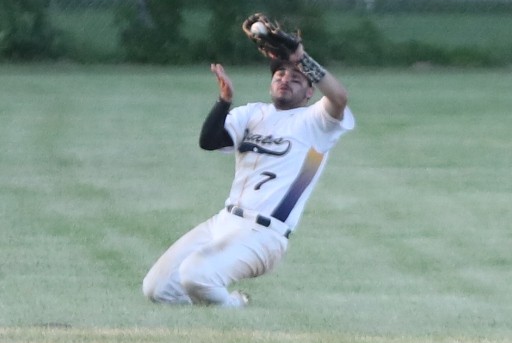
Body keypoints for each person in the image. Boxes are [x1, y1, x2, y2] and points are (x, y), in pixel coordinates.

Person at [142, 43, 355, 308]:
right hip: (224, 220)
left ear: (310, 91)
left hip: (265, 235)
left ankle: (233, 306)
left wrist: (301, 58)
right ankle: (208, 302)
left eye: (296, 78)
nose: (285, 79)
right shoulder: (252, 113)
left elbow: (339, 98)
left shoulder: (317, 123)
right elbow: (209, 141)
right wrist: (224, 101)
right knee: (157, 289)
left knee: (194, 275)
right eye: (280, 75)